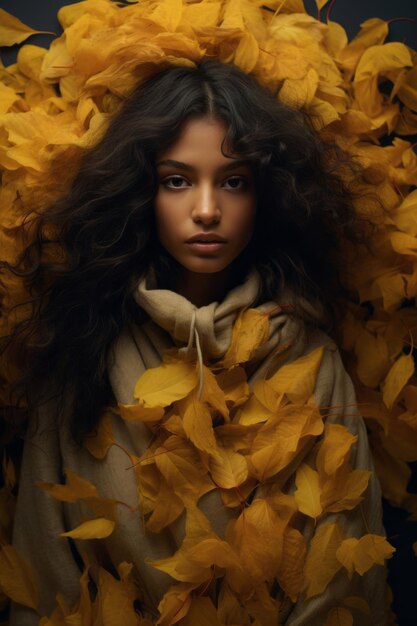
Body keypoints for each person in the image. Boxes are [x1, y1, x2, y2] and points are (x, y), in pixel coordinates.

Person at [4, 60, 387, 625]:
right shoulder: (82, 353)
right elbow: (46, 573)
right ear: (143, 192)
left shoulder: (310, 357)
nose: (207, 210)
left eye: (234, 182)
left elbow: (344, 578)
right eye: (177, 180)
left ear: (265, 196)